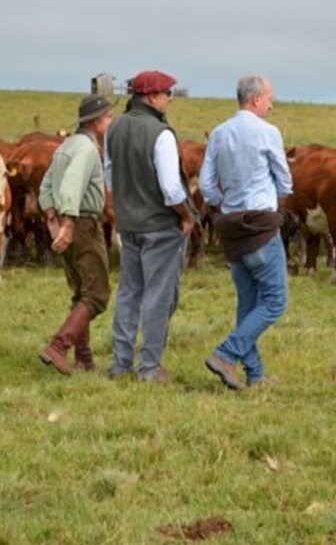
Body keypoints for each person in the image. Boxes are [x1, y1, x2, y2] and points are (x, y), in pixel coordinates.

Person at [200, 74, 293, 390]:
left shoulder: (219, 133)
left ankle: (255, 375)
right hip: (261, 226)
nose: (272, 103)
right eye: (269, 98)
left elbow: (206, 186)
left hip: (231, 228)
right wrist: (276, 207)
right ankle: (226, 353)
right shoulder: (268, 132)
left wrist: (224, 203)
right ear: (255, 99)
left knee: (248, 303)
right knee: (276, 301)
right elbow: (284, 179)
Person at [105, 70, 195, 383]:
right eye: (167, 93)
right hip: (159, 225)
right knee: (159, 296)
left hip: (128, 224)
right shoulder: (161, 133)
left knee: (129, 292)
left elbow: (109, 177)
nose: (170, 98)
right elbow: (171, 187)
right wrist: (186, 215)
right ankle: (150, 368)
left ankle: (120, 364)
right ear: (152, 97)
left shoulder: (114, 127)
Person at [38, 93, 115, 375]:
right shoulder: (86, 149)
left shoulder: (65, 146)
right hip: (82, 224)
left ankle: (84, 359)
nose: (111, 120)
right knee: (97, 295)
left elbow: (46, 186)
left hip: (67, 221)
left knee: (81, 292)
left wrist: (52, 218)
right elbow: (71, 187)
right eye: (108, 116)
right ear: (96, 122)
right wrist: (68, 225)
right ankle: (59, 347)